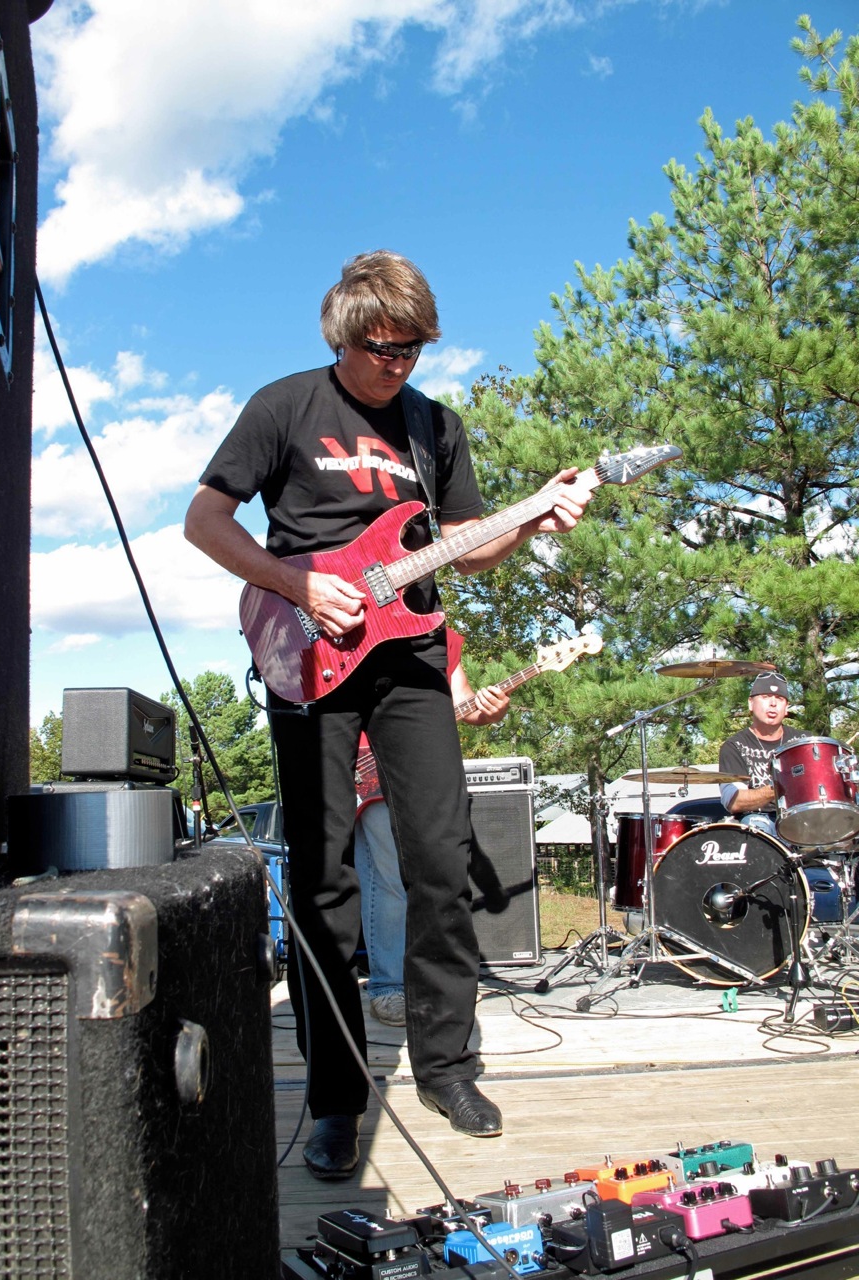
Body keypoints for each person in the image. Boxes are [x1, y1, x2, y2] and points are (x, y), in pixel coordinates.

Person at [184, 249, 591, 1180]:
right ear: (343, 334)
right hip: (309, 651)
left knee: (440, 862)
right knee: (323, 881)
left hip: (411, 657)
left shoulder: (432, 427)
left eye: (413, 349)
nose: (398, 364)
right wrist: (297, 581)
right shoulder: (285, 406)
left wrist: (529, 524)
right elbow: (204, 522)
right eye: (383, 348)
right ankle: (336, 1099)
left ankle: (449, 1066)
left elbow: (466, 549)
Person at [356, 629, 510, 1027]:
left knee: (422, 874)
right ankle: (388, 984)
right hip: (356, 760)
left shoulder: (445, 638)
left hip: (413, 767)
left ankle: (416, 982)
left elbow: (464, 706)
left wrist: (488, 709)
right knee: (384, 875)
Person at [718, 672, 806, 834]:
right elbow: (734, 801)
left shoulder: (804, 741)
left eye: (779, 699)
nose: (773, 704)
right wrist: (781, 786)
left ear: (786, 708)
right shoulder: (734, 746)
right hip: (760, 817)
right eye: (765, 697)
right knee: (757, 828)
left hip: (802, 816)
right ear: (750, 704)